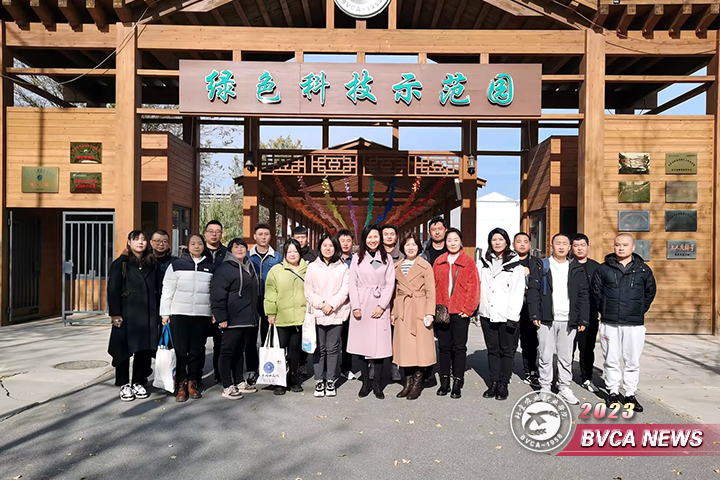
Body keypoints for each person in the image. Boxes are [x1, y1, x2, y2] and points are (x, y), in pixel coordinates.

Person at [592, 233, 656, 412]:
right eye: (618, 245)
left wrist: (639, 309)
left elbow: (650, 292)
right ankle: (612, 391)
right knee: (611, 359)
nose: (621, 248)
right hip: (610, 322)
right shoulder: (603, 269)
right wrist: (605, 309)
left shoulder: (643, 270)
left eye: (625, 245)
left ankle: (630, 394)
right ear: (614, 246)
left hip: (634, 324)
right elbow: (596, 293)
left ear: (633, 247)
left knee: (632, 360)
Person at [534, 233, 589, 406]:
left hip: (568, 319)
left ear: (569, 247)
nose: (561, 246)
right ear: (552, 245)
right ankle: (545, 386)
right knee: (545, 354)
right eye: (558, 243)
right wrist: (535, 314)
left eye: (565, 243)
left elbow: (583, 295)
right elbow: (534, 291)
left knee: (565, 356)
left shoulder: (576, 267)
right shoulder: (542, 265)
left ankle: (564, 386)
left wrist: (583, 319)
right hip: (546, 319)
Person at [160, 233, 215, 402]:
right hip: (179, 314)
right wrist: (165, 313)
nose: (197, 246)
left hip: (201, 314)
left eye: (199, 243)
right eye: (193, 243)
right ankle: (181, 384)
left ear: (203, 246)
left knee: (197, 350)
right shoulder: (177, 265)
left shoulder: (211, 265)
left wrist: (214, 312)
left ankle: (192, 383)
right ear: (187, 246)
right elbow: (167, 290)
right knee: (181, 351)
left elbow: (214, 292)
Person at [107, 230, 160, 402]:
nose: (140, 242)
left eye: (143, 239)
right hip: (126, 313)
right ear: (129, 242)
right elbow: (113, 290)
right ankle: (124, 384)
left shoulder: (151, 263)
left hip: (147, 313)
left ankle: (138, 381)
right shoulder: (120, 264)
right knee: (122, 349)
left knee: (143, 349)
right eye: (136, 239)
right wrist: (115, 314)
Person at [348, 225, 396, 399]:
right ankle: (365, 382)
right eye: (369, 237)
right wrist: (356, 306)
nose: (373, 240)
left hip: (379, 303)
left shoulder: (386, 258)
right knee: (362, 346)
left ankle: (377, 384)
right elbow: (352, 283)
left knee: (379, 347)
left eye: (376, 236)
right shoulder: (357, 257)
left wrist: (382, 305)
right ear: (364, 239)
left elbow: (390, 283)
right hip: (362, 303)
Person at [477, 228, 525, 401]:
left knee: (506, 351)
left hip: (506, 316)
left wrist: (513, 316)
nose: (497, 242)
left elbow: (517, 293)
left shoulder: (515, 265)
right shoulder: (483, 262)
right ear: (490, 242)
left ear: (506, 242)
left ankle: (504, 383)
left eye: (500, 239)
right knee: (492, 350)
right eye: (494, 239)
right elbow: (479, 286)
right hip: (487, 314)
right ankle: (494, 382)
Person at [432, 228, 480, 399]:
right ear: (445, 242)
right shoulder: (439, 262)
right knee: (444, 347)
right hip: (442, 310)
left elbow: (474, 287)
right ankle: (444, 380)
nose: (452, 243)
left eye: (455, 240)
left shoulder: (468, 262)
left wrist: (468, 309)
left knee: (459, 348)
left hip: (460, 312)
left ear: (461, 242)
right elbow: (433, 286)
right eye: (449, 240)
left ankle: (457, 381)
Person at [211, 238, 260, 400]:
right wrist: (221, 316)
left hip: (248, 317)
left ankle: (239, 381)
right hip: (232, 318)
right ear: (230, 250)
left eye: (242, 247)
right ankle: (227, 385)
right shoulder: (224, 268)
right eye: (236, 247)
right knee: (227, 351)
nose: (240, 249)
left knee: (239, 351)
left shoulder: (250, 266)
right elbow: (217, 295)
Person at [391, 233, 436, 401]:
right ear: (403, 247)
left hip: (419, 308)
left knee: (420, 349)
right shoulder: (396, 266)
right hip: (402, 309)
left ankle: (417, 384)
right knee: (405, 349)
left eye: (414, 245)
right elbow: (394, 292)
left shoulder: (425, 266)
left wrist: (429, 313)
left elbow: (431, 291)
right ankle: (407, 382)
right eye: (407, 244)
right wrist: (393, 312)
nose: (411, 247)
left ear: (419, 247)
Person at [304, 234, 350, 398]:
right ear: (320, 247)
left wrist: (332, 304)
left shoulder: (343, 267)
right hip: (318, 313)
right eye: (325, 245)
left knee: (333, 349)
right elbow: (308, 291)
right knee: (319, 348)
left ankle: (330, 380)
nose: (328, 248)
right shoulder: (312, 267)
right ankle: (319, 380)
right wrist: (322, 304)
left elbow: (345, 290)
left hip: (336, 313)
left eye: (331, 245)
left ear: (336, 248)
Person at [264, 239, 308, 395]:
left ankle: (293, 378)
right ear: (284, 253)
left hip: (300, 317)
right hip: (281, 317)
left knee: (295, 351)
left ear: (300, 252)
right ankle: (279, 381)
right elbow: (270, 292)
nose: (292, 254)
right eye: (289, 251)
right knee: (280, 350)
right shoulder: (276, 270)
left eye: (295, 251)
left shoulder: (307, 270)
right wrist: (271, 312)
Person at [248, 223, 284, 381]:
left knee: (267, 335)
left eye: (266, 234)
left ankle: (266, 368)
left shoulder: (277, 257)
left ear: (271, 236)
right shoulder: (248, 256)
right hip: (250, 302)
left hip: (269, 302)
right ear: (254, 236)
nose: (263, 237)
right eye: (260, 234)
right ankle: (251, 368)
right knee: (250, 337)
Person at [571, 233, 601, 393]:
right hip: (569, 315)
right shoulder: (566, 266)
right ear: (571, 248)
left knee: (587, 349)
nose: (579, 248)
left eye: (582, 245)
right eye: (576, 245)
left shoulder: (597, 267)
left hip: (590, 316)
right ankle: (564, 378)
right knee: (567, 349)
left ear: (588, 247)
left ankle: (587, 378)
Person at [512, 232, 542, 387]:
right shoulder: (508, 261)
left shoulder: (537, 263)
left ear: (530, 245)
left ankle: (530, 371)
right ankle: (505, 372)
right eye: (519, 241)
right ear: (513, 245)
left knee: (529, 341)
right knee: (509, 342)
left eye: (525, 241)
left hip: (529, 307)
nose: (522, 244)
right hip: (511, 307)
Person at [204, 220, 226, 384]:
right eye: (211, 231)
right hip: (200, 305)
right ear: (205, 233)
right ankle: (195, 377)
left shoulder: (227, 253)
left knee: (221, 343)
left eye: (217, 231)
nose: (214, 234)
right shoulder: (198, 251)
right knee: (198, 344)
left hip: (221, 305)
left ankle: (220, 373)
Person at [381, 223, 403, 382]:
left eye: (392, 234)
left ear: (396, 237)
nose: (389, 237)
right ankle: (374, 367)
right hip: (378, 301)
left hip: (396, 301)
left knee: (396, 337)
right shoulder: (376, 256)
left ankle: (395, 367)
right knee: (378, 335)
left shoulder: (402, 256)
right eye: (386, 234)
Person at [336, 229, 356, 380]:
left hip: (352, 304)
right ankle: (328, 369)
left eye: (348, 241)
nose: (345, 244)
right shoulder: (332, 259)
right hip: (335, 304)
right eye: (342, 241)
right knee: (332, 339)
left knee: (348, 337)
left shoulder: (356, 260)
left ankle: (346, 367)